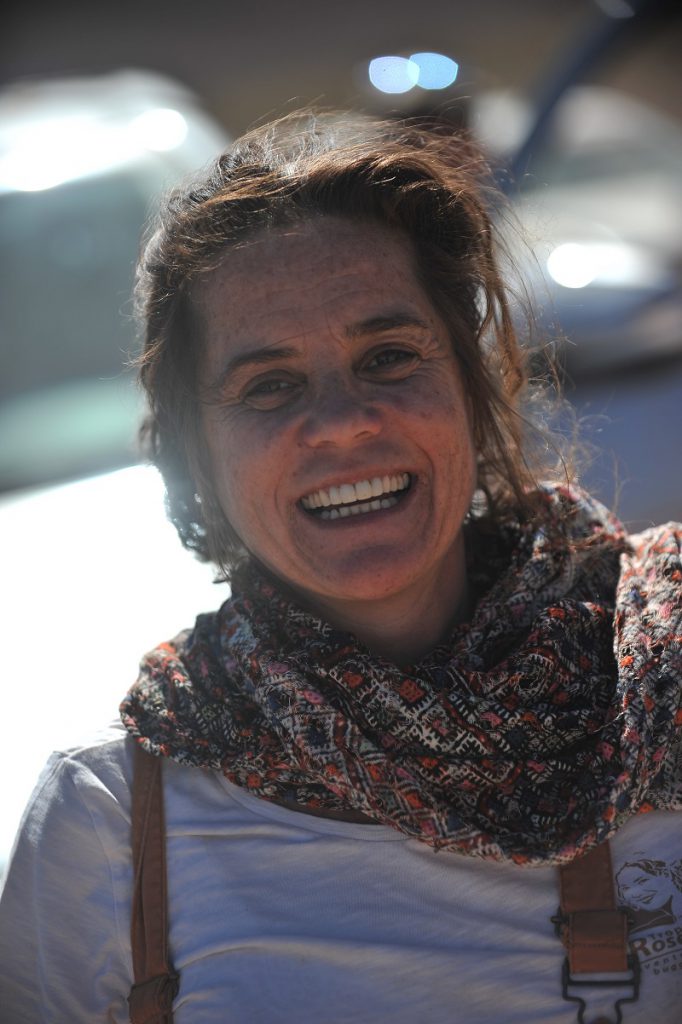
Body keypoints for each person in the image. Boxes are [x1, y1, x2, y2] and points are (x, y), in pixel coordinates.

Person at [0, 111, 680, 1024]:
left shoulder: (662, 678)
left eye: (389, 357)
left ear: (473, 389)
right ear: (195, 453)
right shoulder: (110, 819)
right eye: (270, 385)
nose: (343, 423)